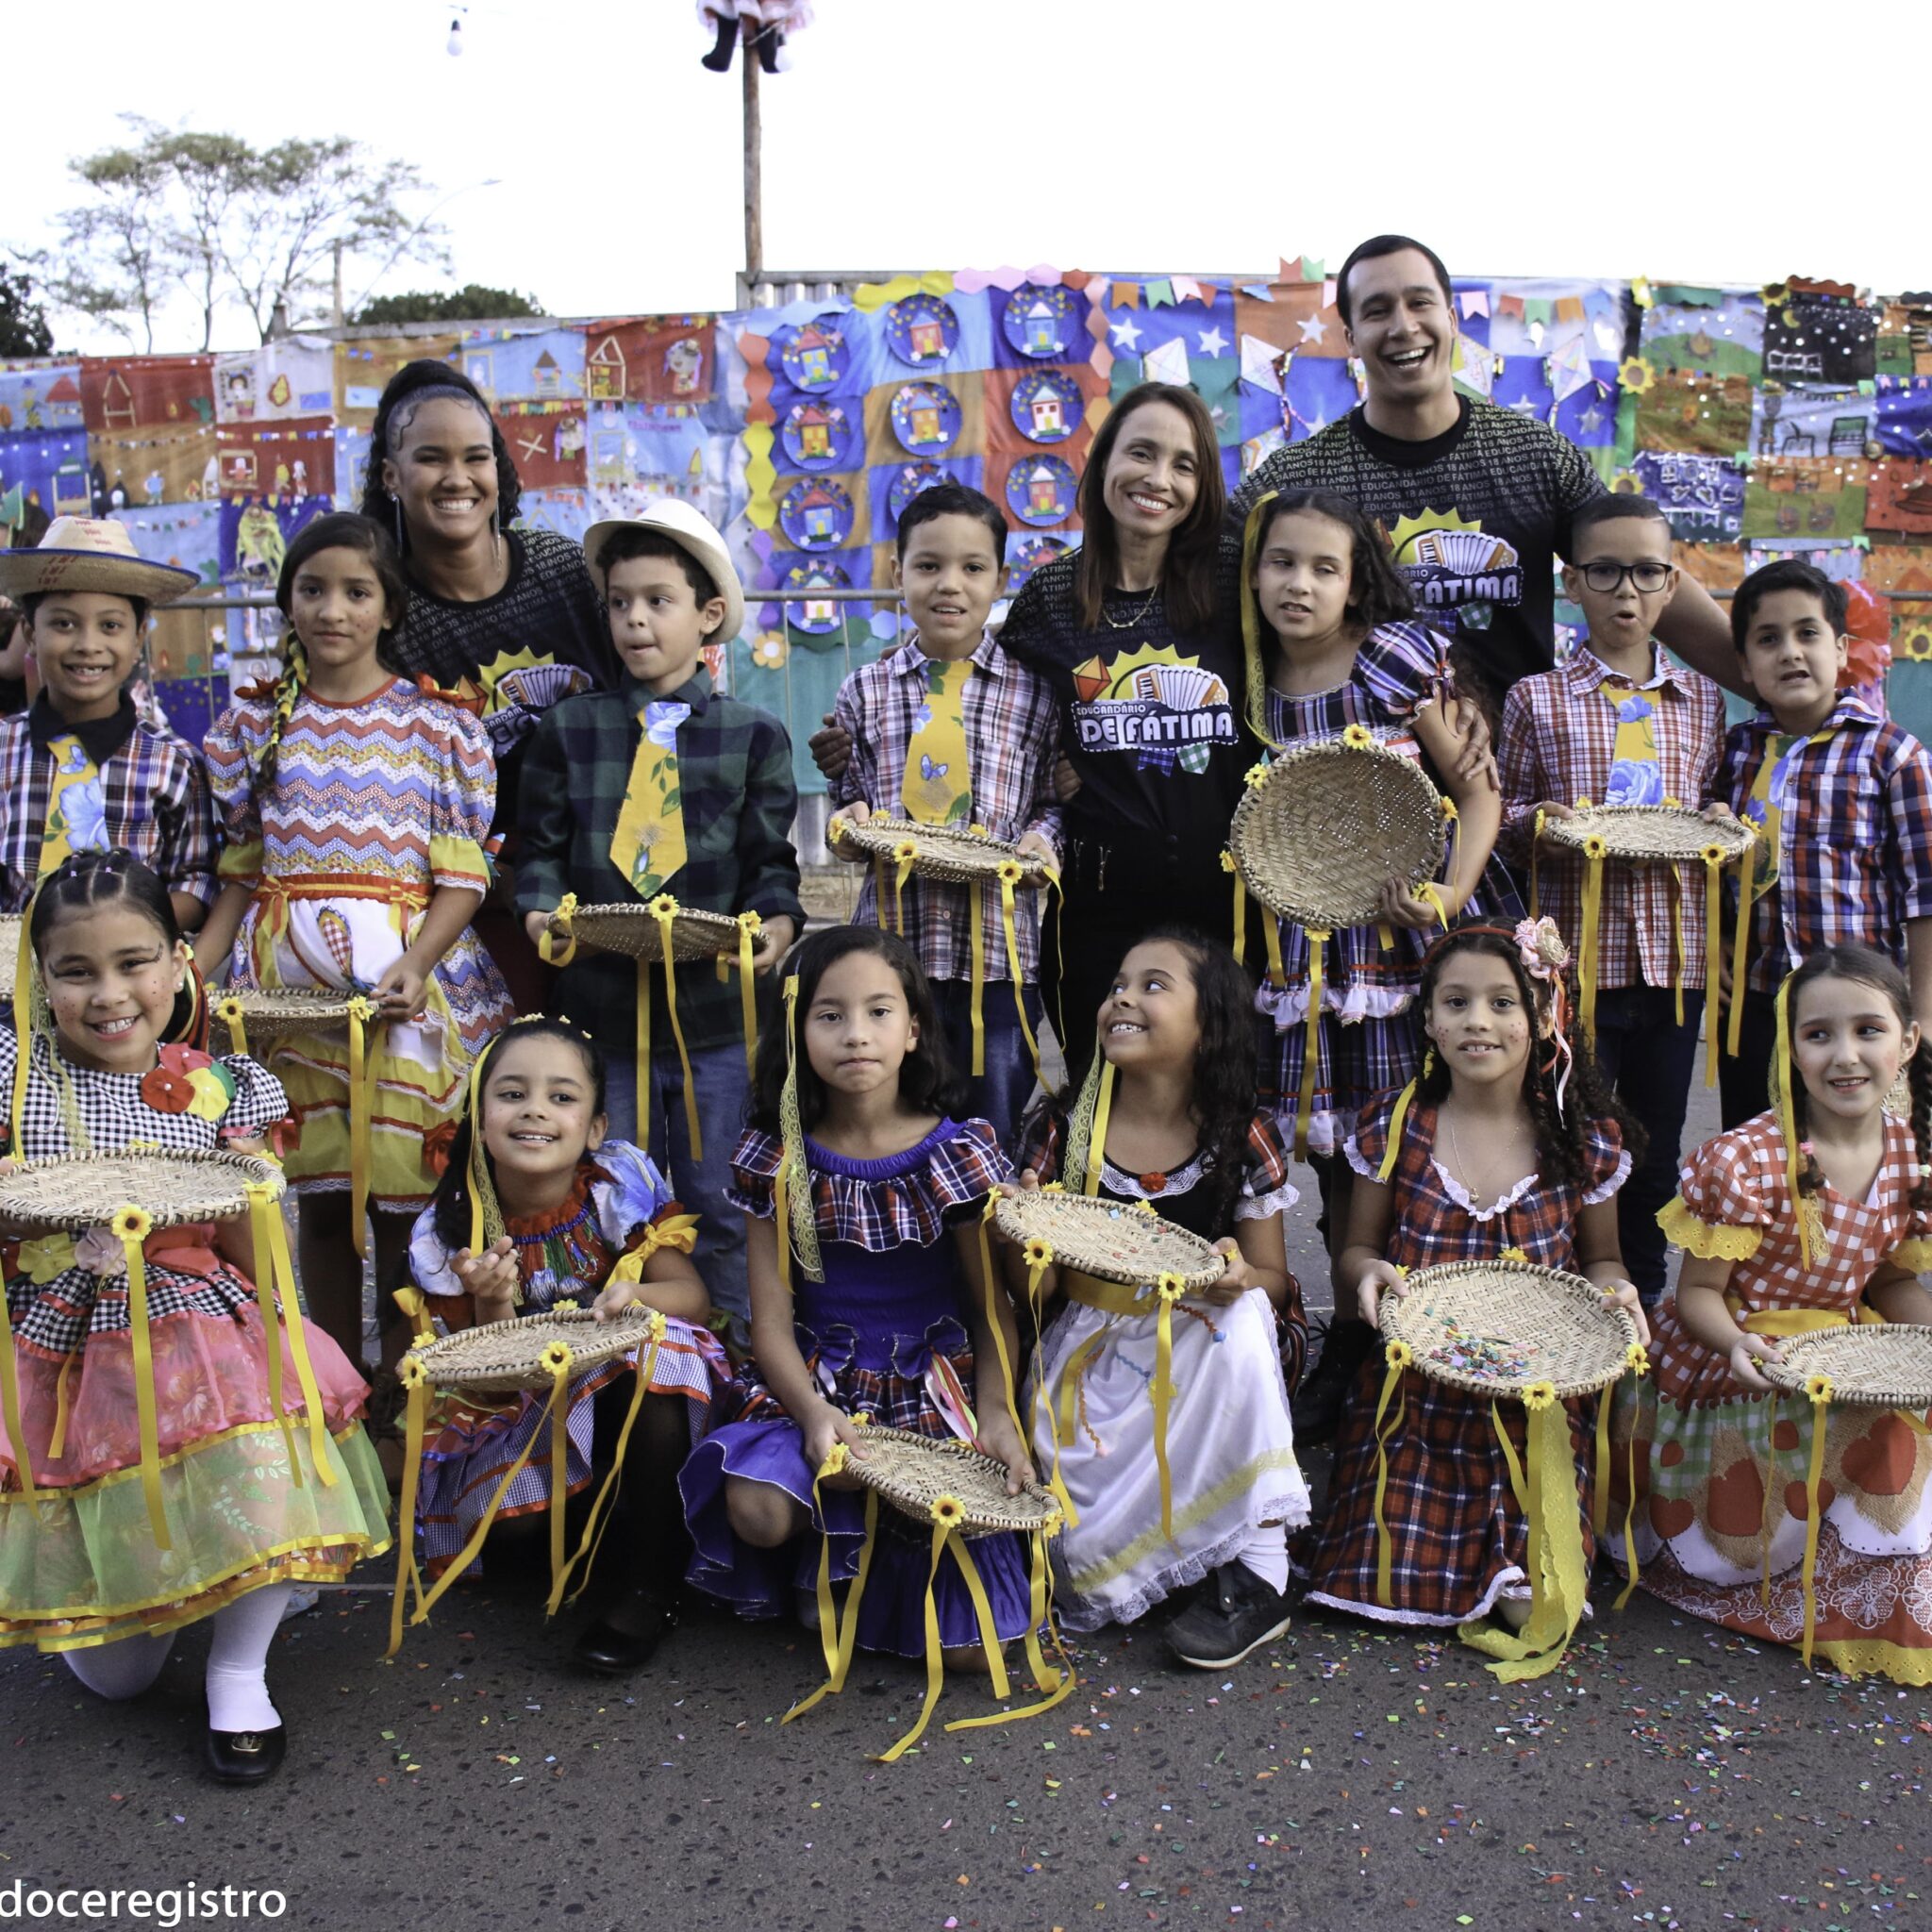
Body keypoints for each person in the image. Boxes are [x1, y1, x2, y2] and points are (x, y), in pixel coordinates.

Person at [0, 854, 389, 1783]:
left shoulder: (225, 1085)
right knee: (121, 1668)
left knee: (255, 1461)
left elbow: (249, 1233)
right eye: (76, 970)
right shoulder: (16, 1071)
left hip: (194, 1319)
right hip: (59, 1334)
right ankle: (146, 1613)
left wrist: (288, 1333)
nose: (108, 993)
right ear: (39, 975)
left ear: (179, 962)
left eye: (133, 962)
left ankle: (237, 1666)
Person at [811, 383, 1245, 1060]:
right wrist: (863, 728)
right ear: (1102, 464)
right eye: (1141, 452)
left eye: (1184, 464)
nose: (1159, 478)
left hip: (1222, 892)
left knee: (1221, 1087)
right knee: (1098, 1099)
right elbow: (971, 680)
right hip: (1099, 900)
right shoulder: (1051, 597)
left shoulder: (1231, 581)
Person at [198, 512, 515, 1370]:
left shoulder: (435, 726)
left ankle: (407, 1394)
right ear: (287, 601)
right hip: (287, 1001)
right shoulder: (255, 728)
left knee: (402, 1197)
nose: (332, 609)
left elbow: (460, 877)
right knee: (320, 1194)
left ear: (388, 606)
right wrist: (197, 972)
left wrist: (417, 961)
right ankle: (339, 1381)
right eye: (312, 590)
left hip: (403, 994)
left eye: (356, 591)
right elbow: (241, 872)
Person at [679, 925, 1037, 1670]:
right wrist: (814, 1416)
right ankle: (820, 1553)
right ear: (799, 1032)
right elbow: (770, 1325)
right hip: (817, 1380)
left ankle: (869, 1562)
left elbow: (989, 1309)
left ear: (913, 1029)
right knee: (759, 1510)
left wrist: (998, 1415)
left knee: (981, 1650)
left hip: (934, 1387)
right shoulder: (778, 1155)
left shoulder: (959, 1150)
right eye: (829, 1015)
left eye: (879, 1012)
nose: (856, 1036)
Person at [1236, 489, 1512, 1441]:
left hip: (1396, 951)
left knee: (1381, 1148)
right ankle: (1329, 1338)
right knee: (1301, 1148)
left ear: (1356, 583)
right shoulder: (1244, 676)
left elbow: (1477, 793)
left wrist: (1447, 890)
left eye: (1321, 566)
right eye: (1280, 563)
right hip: (1288, 957)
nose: (1297, 584)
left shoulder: (1396, 661)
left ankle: (1375, 1347)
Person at [1298, 919, 1647, 1673]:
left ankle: (1529, 1552)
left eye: (1502, 1003)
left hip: (1538, 1396)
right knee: (1388, 1564)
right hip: (1418, 1387)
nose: (1477, 1022)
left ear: (1543, 1016)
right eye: (1455, 1003)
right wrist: (1365, 1277)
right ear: (1428, 1020)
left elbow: (1605, 1259)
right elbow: (1354, 1250)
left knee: (1533, 1598)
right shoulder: (1396, 1126)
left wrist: (1617, 1296)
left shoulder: (1581, 1138)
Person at [1224, 235, 1740, 717]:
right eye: (1377, 310)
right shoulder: (1300, 476)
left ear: (1452, 319)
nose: (1403, 326)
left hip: (1525, 775)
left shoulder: (1534, 454)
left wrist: (1765, 685)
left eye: (1420, 303)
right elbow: (1198, 565)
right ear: (1351, 338)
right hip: (1371, 779)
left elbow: (1637, 564)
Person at [517, 501, 802, 1340]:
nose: (635, 619)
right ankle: (619, 1360)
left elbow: (769, 863)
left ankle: (737, 1360)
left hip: (713, 1021)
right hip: (601, 1021)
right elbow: (534, 850)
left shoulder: (754, 737)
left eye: (658, 601)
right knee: (613, 1196)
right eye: (618, 602)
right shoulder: (570, 731)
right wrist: (539, 912)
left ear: (708, 614)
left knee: (718, 1195)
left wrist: (777, 925)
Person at [1621, 947, 1932, 1681]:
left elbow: (1888, 1284)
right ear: (1789, 1049)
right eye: (1819, 1035)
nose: (1845, 1055)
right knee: (1887, 1439)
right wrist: (1738, 1346)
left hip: (1845, 1347)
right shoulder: (1751, 1161)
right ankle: (1855, 1590)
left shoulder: (1912, 1159)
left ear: (1908, 1041)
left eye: (1868, 1030)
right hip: (1741, 1362)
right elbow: (1697, 1294)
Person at [1010, 927, 1307, 1667]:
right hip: (1092, 1343)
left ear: (1210, 1024)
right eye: (1117, 984)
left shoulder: (1243, 1134)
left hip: (1202, 1341)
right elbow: (1034, 1298)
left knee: (1239, 1318)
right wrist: (1027, 1237)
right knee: (1075, 1549)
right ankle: (1161, 1549)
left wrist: (1238, 1276)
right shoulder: (1062, 1128)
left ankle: (1260, 1569)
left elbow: (1273, 1280)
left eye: (1152, 985)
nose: (1122, 998)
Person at [405, 1016, 728, 1674]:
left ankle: (651, 1584)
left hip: (626, 1398)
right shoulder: (449, 1227)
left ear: (595, 1128)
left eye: (561, 1097)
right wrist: (493, 1303)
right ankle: (610, 1528)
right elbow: (476, 1384)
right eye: (512, 1094)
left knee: (655, 1353)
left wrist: (628, 1299)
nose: (535, 1112)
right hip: (521, 1410)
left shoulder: (615, 1189)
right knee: (512, 1535)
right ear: (479, 1112)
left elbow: (691, 1297)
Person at [1500, 493, 1728, 1306]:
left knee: (1656, 1148)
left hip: (1674, 967)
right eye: (1604, 572)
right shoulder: (1537, 700)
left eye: (1645, 573)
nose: (1625, 592)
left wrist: (1719, 823)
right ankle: (1565, 1308)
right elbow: (1505, 826)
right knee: (1570, 1137)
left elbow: (1715, 815)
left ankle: (1645, 1315)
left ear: (1672, 585)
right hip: (1575, 969)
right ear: (1572, 583)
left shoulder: (1701, 703)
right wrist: (1541, 824)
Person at [826, 481, 1061, 1145]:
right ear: (898, 573)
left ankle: (987, 1248)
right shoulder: (864, 690)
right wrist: (848, 821)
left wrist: (1045, 839)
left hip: (999, 959)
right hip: (892, 956)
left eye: (972, 567)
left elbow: (1050, 798)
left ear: (1001, 578)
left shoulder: (1033, 692)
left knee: (992, 1131)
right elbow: (851, 791)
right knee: (892, 1123)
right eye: (928, 566)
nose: (949, 585)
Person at [1715, 558, 1932, 1128]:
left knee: (1862, 1160)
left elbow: (1926, 895)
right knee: (1761, 1157)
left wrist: (1924, 1019)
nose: (1789, 651)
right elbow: (1706, 870)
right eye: (1768, 639)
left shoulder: (1892, 755)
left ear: (1840, 650)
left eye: (1807, 633)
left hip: (1860, 1008)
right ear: (1744, 663)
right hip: (1757, 1008)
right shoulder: (1734, 754)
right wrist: (1713, 954)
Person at [358, 360, 616, 785]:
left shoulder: (568, 571)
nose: (457, 479)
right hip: (454, 850)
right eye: (431, 459)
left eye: (476, 458)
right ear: (392, 477)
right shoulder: (382, 616)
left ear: (495, 469)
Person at [0, 517, 214, 931]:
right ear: (29, 633)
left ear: (137, 640)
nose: (87, 644)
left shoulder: (175, 764)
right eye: (63, 624)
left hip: (126, 987)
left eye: (110, 626)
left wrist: (123, 930)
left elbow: (197, 879)